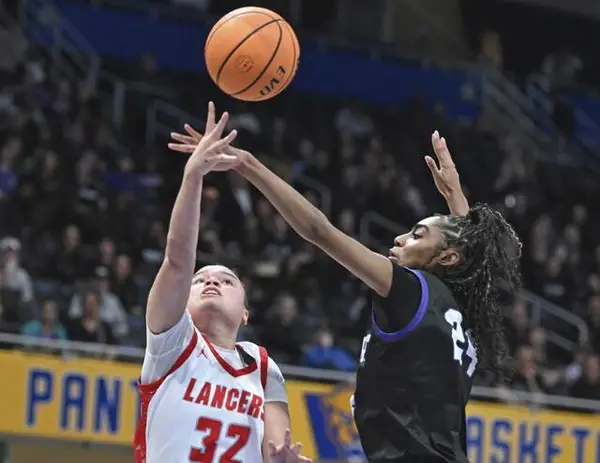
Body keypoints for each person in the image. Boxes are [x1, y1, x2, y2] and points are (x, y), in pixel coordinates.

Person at [169, 113, 522, 462]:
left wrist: (247, 164)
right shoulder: (462, 306)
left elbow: (319, 231)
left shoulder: (410, 289)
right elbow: (469, 260)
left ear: (446, 257)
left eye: (417, 235)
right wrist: (456, 198)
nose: (400, 238)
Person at [136, 103, 311, 463]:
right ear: (183, 303)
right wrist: (193, 175)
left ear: (245, 313)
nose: (212, 281)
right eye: (200, 280)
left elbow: (277, 446)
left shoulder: (262, 366)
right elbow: (177, 261)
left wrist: (282, 460)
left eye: (227, 280)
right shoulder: (172, 343)